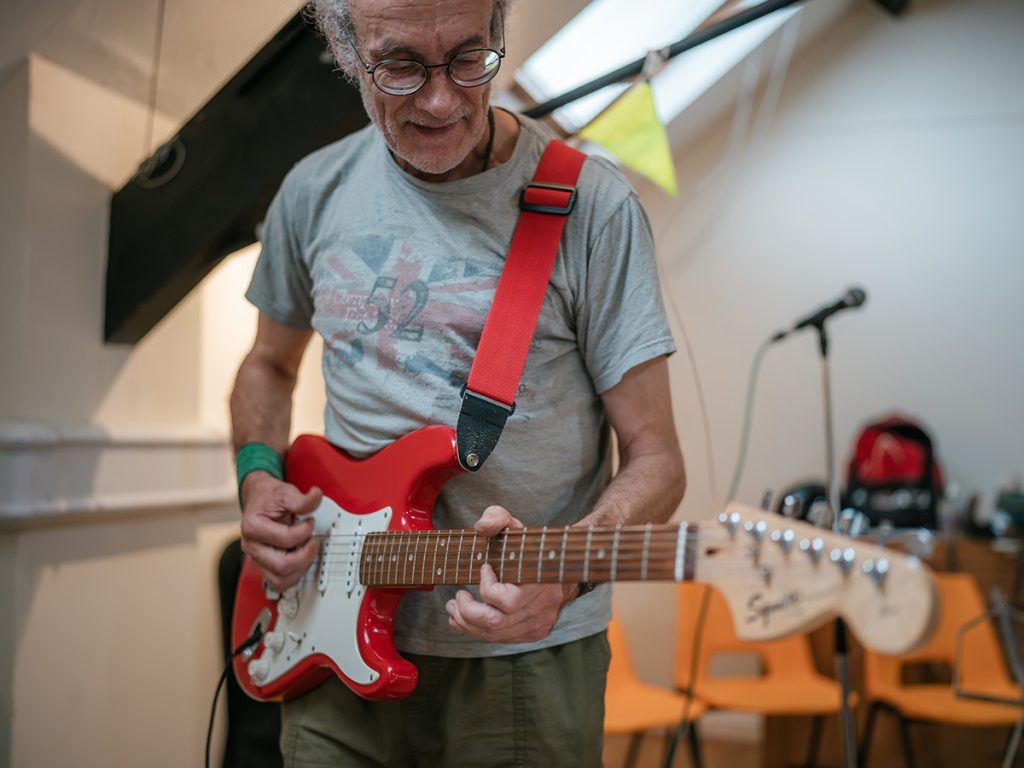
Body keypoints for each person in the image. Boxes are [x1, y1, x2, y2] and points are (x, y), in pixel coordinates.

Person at [230, 0, 686, 764]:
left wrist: (563, 574)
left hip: (525, 669)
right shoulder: (312, 191)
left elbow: (658, 462)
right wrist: (255, 477)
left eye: (470, 59)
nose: (442, 100)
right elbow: (268, 364)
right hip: (324, 641)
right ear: (348, 54)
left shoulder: (592, 206)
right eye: (402, 64)